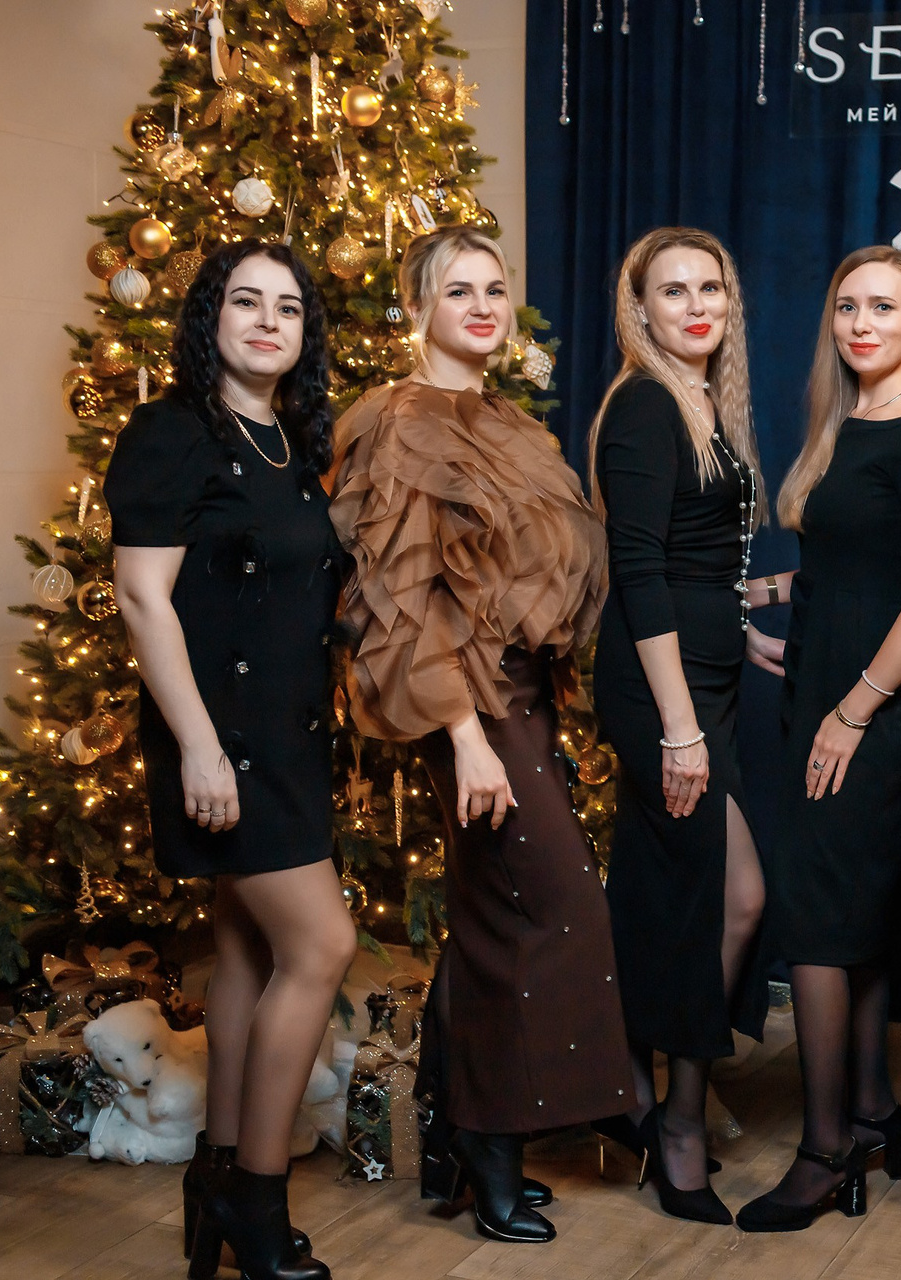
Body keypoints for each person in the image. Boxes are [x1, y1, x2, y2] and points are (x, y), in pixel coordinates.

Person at [329, 226, 627, 1246]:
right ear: (417, 308)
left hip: (524, 698)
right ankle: (493, 1147)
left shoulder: (507, 422)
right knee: (551, 911)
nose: (484, 307)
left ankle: (460, 1140)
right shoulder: (399, 420)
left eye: (495, 289)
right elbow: (401, 601)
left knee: (493, 916)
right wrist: (464, 736)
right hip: (468, 702)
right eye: (459, 291)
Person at [108, 239, 355, 1280]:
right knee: (324, 945)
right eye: (245, 301)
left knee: (250, 953)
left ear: (305, 332)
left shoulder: (296, 440)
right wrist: (201, 748)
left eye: (287, 307)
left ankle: (215, 1177)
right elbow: (141, 598)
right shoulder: (173, 432)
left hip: (290, 736)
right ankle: (255, 1198)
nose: (267, 321)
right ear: (210, 318)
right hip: (223, 740)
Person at [737, 245, 901, 1232]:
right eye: (846, 306)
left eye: (883, 307)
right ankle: (872, 1110)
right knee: (851, 918)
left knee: (820, 928)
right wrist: (767, 592)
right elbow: (859, 563)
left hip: (869, 714)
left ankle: (825, 1149)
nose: (862, 323)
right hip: (826, 700)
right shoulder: (853, 423)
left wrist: (854, 707)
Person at [586, 226, 772, 1226]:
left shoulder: (703, 401)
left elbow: (703, 556)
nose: (697, 306)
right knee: (727, 896)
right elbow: (641, 572)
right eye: (674, 291)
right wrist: (678, 727)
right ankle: (675, 1120)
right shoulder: (645, 404)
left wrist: (750, 623)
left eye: (712, 287)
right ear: (640, 309)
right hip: (663, 691)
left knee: (681, 896)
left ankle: (632, 1090)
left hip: (709, 678)